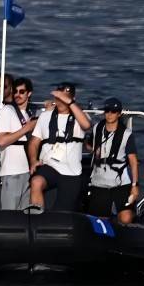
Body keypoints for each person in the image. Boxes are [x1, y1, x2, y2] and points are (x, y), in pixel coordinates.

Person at [26, 81, 91, 213]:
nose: (60, 101)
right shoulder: (45, 116)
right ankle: (36, 217)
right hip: (50, 166)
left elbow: (87, 126)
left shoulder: (80, 117)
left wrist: (70, 103)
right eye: (58, 98)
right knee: (36, 181)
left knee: (62, 212)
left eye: (64, 98)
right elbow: (34, 142)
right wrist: (33, 160)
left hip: (71, 172)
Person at [84, 98, 142, 224]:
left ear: (119, 113)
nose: (109, 114)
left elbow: (133, 160)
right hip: (99, 181)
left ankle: (127, 225)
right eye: (107, 111)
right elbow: (88, 145)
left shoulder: (126, 134)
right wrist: (94, 150)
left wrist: (135, 185)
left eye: (114, 111)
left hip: (120, 183)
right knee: (99, 221)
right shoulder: (97, 129)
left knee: (126, 217)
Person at [0, 76, 39, 212]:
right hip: (12, 171)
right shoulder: (7, 111)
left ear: (29, 93)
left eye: (22, 91)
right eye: (15, 92)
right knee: (9, 212)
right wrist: (27, 128)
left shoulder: (29, 114)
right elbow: (1, 141)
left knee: (24, 213)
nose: (17, 95)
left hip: (27, 171)